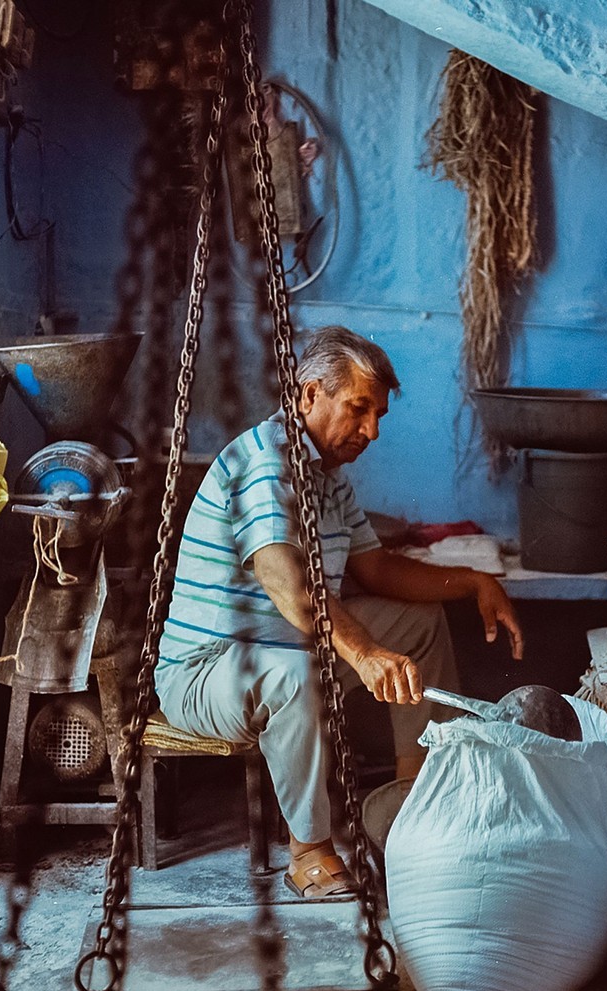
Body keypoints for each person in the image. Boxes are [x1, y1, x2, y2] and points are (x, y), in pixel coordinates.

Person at [154, 326, 523, 897]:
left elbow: (378, 571)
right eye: (358, 409)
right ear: (309, 395)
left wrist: (474, 582)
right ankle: (308, 851)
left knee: (419, 625)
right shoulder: (264, 464)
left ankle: (412, 804)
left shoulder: (329, 478)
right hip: (206, 670)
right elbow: (288, 585)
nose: (371, 431)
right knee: (294, 673)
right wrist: (365, 653)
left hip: (290, 647)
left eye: (378, 415)